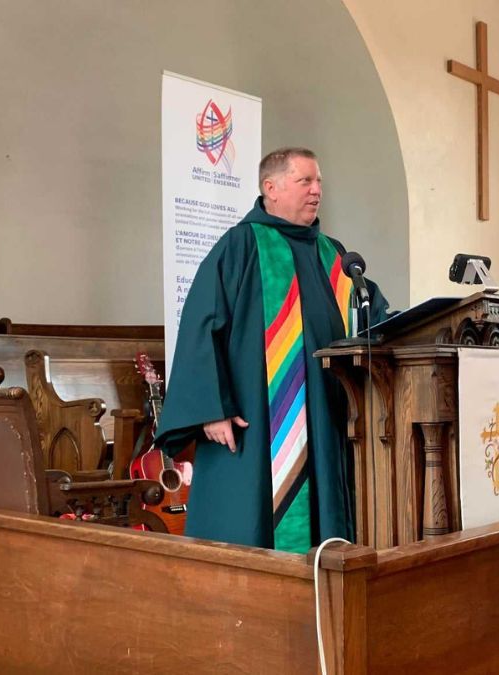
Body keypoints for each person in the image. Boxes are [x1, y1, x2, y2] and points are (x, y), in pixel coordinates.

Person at [154, 147, 391, 553]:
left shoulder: (334, 254)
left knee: (327, 523)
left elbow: (376, 318)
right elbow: (200, 326)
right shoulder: (241, 247)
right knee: (253, 527)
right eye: (306, 182)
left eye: (319, 183)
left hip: (329, 416)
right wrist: (212, 408)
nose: (317, 191)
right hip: (260, 420)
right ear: (271, 188)